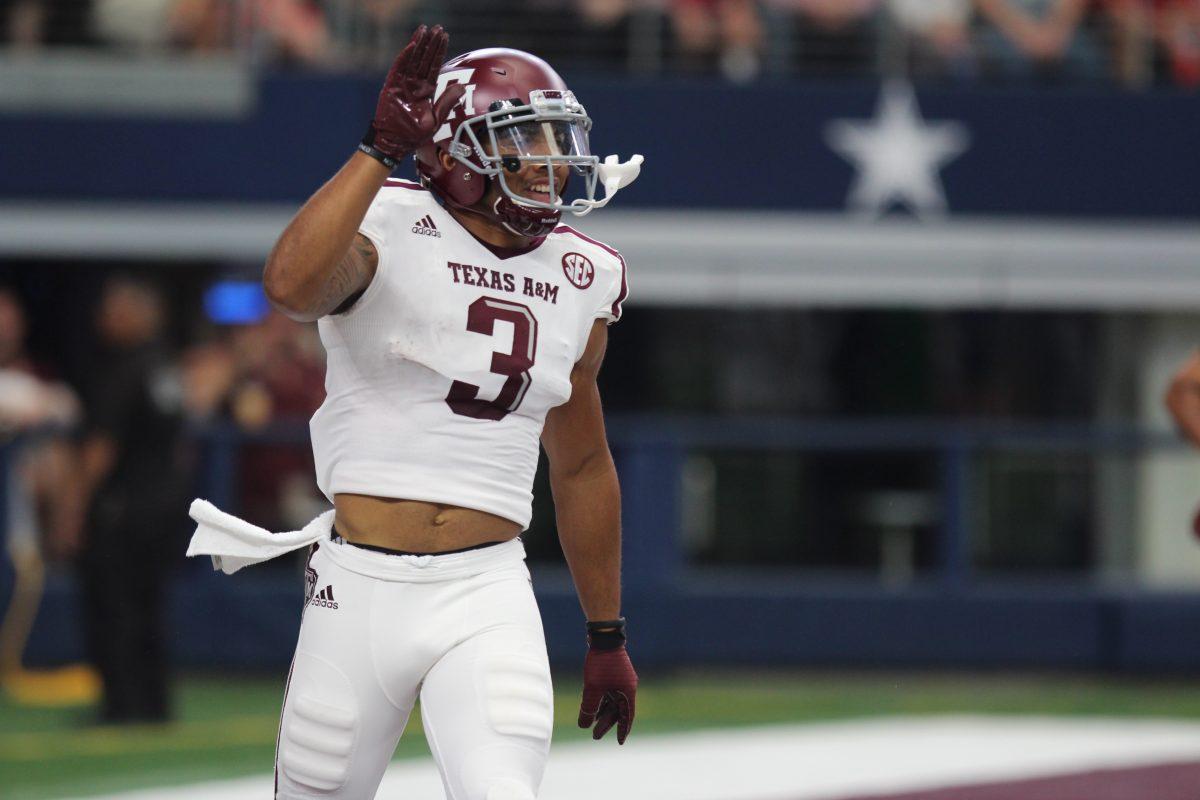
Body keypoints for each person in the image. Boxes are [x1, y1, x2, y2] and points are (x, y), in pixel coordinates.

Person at [188, 23, 643, 799]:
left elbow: (581, 462)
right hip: (358, 584)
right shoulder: (387, 221)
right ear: (459, 150)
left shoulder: (583, 273)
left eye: (553, 134)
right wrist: (377, 150)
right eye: (522, 135)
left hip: (486, 586)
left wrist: (607, 632)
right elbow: (291, 287)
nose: (549, 158)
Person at [71, 276, 190, 723]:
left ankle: (122, 705)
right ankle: (154, 702)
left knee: (116, 606)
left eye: (115, 309)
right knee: (150, 605)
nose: (104, 318)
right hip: (163, 505)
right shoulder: (165, 369)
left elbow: (102, 449)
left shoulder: (124, 370)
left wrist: (73, 509)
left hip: (123, 507)